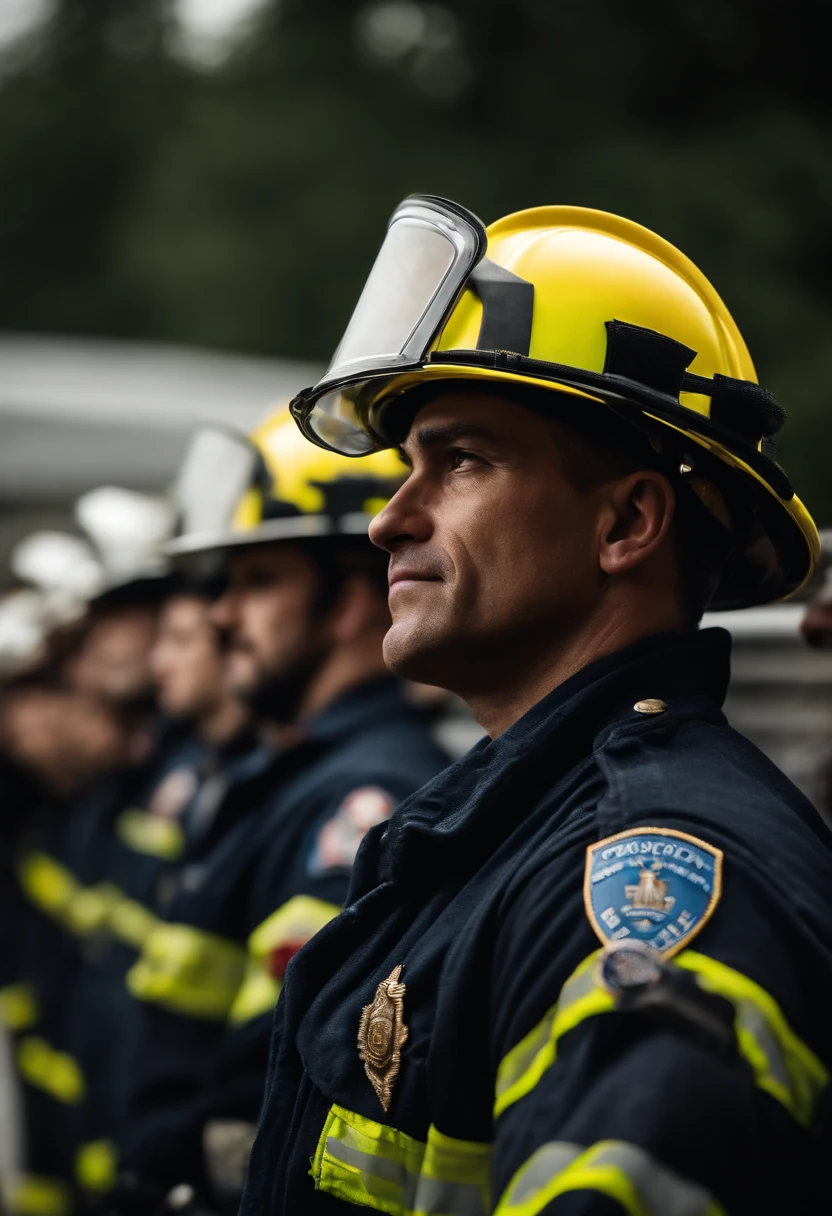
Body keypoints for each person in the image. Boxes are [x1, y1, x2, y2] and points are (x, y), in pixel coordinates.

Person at [241, 197, 832, 1216]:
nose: (388, 519)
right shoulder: (499, 839)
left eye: (461, 459)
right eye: (403, 466)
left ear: (627, 522)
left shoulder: (652, 872)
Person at [116, 410, 450, 1212]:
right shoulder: (294, 778)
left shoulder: (361, 800)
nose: (223, 616)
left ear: (346, 605)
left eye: (258, 583)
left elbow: (262, 1086)